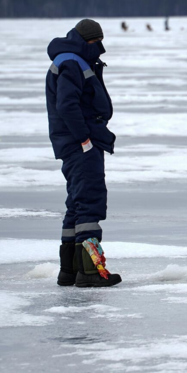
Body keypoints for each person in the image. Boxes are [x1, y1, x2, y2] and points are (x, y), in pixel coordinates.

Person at [46, 20, 122, 288]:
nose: (100, 47)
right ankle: (90, 272)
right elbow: (66, 105)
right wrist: (84, 139)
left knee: (77, 204)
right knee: (89, 201)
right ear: (87, 40)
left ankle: (70, 270)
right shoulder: (71, 62)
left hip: (74, 142)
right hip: (80, 144)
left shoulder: (72, 59)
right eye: (96, 42)